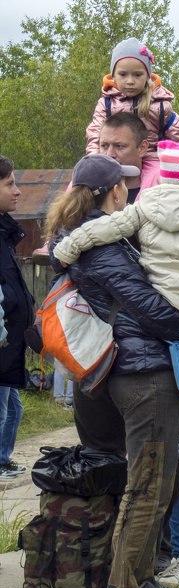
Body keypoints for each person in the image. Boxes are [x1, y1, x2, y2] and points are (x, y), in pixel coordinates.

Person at [46, 153, 179, 588]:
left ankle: (141, 579)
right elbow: (149, 308)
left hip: (127, 371)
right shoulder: (101, 247)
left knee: (163, 480)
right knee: (149, 484)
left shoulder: (95, 238)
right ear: (111, 193)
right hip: (142, 376)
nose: (130, 189)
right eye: (123, 185)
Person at [53, 141, 179, 392]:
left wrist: (67, 248)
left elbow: (102, 229)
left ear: (161, 180)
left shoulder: (142, 210)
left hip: (163, 299)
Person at [86, 38, 179, 187]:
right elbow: (95, 133)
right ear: (113, 76)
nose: (130, 81)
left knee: (155, 179)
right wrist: (95, 160)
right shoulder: (107, 103)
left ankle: (142, 209)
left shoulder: (160, 105)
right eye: (123, 74)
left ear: (147, 76)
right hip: (112, 158)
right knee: (81, 179)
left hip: (150, 159)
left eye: (137, 75)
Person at [0, 156, 34, 479]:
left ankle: (3, 457)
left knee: (13, 407)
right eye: (9, 183)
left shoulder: (4, 232)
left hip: (11, 343)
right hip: (2, 342)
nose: (18, 191)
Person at [97, 112, 154, 201]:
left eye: (119, 146)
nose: (109, 154)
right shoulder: (88, 193)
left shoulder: (159, 195)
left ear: (142, 148)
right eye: (104, 146)